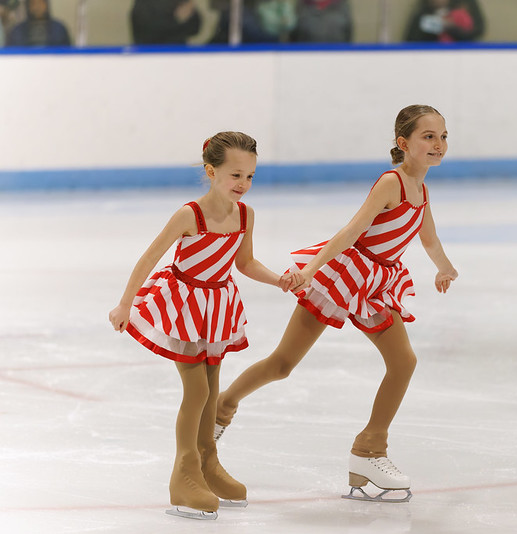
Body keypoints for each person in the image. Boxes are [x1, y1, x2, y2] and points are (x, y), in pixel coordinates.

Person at [213, 105, 458, 503]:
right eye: (429, 136)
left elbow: (427, 237)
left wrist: (445, 268)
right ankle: (222, 409)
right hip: (343, 277)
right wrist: (310, 271)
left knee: (404, 362)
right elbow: (351, 231)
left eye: (444, 136)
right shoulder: (391, 183)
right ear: (403, 143)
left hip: (376, 284)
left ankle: (369, 449)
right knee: (283, 364)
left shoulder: (422, 189)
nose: (439, 144)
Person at [108, 132, 298, 520]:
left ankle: (208, 465)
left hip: (217, 305)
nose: (242, 185)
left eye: (249, 177)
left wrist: (278, 278)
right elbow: (148, 259)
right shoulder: (189, 215)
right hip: (182, 304)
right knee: (196, 390)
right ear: (211, 171)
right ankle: (184, 472)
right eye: (235, 176)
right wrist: (125, 303)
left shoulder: (245, 215)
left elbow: (244, 263)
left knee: (211, 393)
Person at [404, 0, 485, 43]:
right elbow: (411, 40)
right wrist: (436, 25)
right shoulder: (422, 11)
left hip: (462, 56)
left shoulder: (466, 4)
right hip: (429, 58)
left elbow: (477, 30)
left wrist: (451, 28)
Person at [130, 0, 201, 46]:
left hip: (179, 56)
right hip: (150, 57)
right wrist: (177, 21)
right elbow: (151, 31)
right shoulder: (143, 5)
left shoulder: (177, 2)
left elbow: (194, 28)